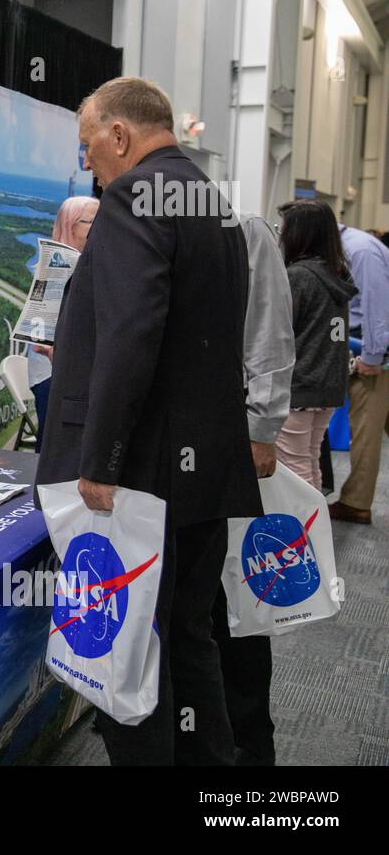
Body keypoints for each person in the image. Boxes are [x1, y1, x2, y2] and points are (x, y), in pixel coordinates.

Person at [35, 76, 261, 766]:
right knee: (189, 645)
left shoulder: (135, 193)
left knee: (124, 658)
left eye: (88, 146)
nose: (89, 165)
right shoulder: (211, 200)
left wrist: (100, 462)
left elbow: (132, 335)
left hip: (139, 478)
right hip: (199, 476)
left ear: (120, 135)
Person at [210, 209, 295, 767]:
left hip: (226, 444)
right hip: (157, 460)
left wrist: (261, 429)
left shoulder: (240, 228)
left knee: (236, 598)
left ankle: (249, 740)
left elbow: (268, 331)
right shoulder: (130, 225)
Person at [272, 201, 356, 486]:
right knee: (309, 462)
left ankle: (305, 529)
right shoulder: (337, 274)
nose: (281, 235)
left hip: (300, 386)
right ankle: (316, 529)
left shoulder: (299, 277)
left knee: (294, 471)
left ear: (300, 233)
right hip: (327, 385)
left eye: (284, 228)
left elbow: (279, 332)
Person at [329, 221, 389, 524]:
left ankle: (356, 504)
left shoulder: (360, 250)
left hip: (373, 354)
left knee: (365, 429)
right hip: (369, 346)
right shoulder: (351, 245)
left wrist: (372, 355)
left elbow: (376, 305)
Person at [28, 196, 98, 451]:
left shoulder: (89, 263)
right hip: (52, 376)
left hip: (76, 374)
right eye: (93, 221)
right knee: (55, 451)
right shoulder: (55, 266)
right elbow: (38, 337)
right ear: (71, 225)